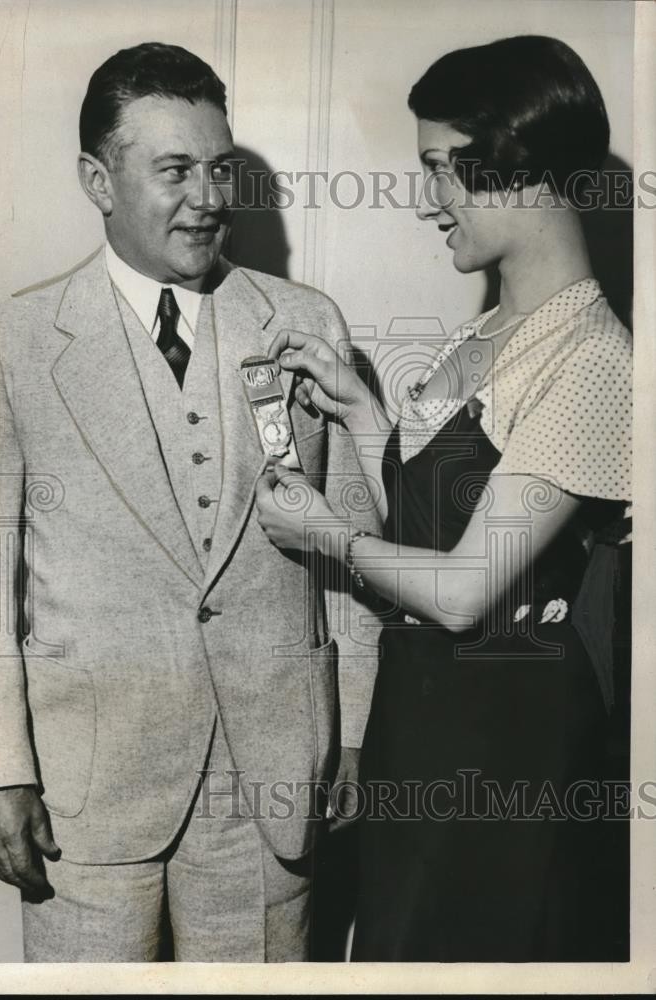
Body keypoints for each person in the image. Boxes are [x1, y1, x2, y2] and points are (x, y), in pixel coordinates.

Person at [0, 42, 379, 963]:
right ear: (97, 182)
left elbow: (353, 553)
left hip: (273, 782)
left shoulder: (306, 323)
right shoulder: (13, 340)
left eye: (219, 167)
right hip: (84, 793)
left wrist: (356, 731)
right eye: (174, 169)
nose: (209, 196)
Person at [255, 35, 631, 961]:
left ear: (512, 164)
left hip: (505, 745)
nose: (429, 203)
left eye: (440, 169)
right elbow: (444, 520)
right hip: (419, 724)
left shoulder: (593, 361)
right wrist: (361, 416)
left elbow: (464, 591)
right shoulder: (494, 330)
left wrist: (324, 534)